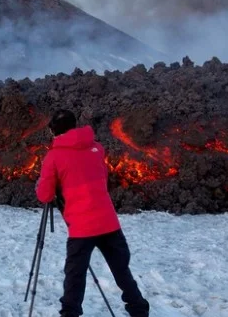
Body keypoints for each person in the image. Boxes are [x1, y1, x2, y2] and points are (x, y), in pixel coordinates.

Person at [36, 109, 150, 317]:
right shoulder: (97, 148)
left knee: (75, 277)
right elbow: (101, 178)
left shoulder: (53, 157)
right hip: (108, 222)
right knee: (121, 272)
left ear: (54, 130)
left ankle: (69, 314)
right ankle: (139, 310)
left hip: (82, 228)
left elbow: (45, 195)